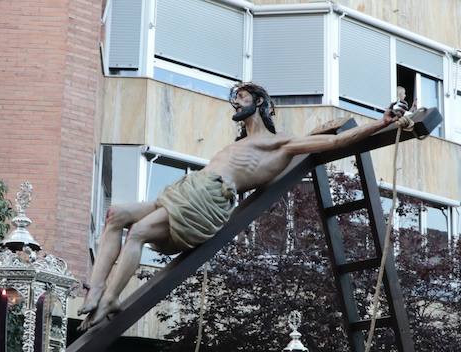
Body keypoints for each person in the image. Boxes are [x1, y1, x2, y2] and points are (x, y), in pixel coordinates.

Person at [80, 81, 404, 328]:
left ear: (259, 101)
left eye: (242, 97)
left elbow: (333, 142)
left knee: (138, 231)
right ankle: (95, 290)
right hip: (190, 188)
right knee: (116, 215)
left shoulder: (279, 143)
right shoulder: (240, 144)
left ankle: (111, 299)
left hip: (209, 197)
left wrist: (380, 123)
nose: (236, 101)